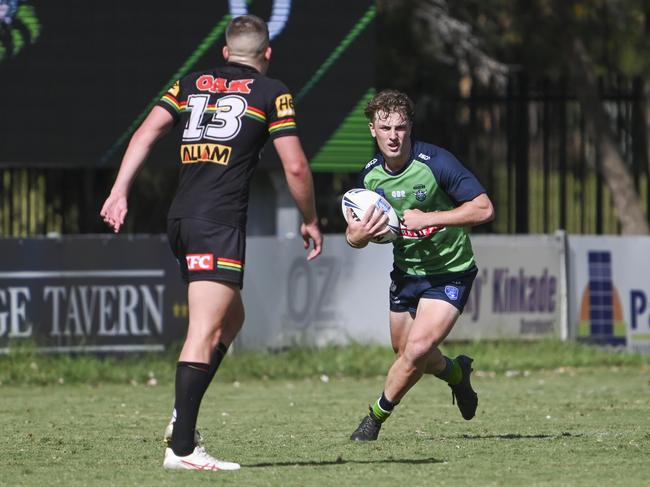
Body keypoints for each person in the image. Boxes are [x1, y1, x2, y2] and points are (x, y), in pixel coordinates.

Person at [100, 15, 323, 470]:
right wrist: (311, 219)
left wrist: (119, 189)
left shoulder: (189, 82)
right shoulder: (271, 92)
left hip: (183, 217)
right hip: (217, 221)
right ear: (267, 53)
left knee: (232, 317)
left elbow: (145, 133)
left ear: (225, 52)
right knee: (203, 330)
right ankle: (182, 448)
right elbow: (296, 167)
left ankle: (181, 422)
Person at [345, 89, 494, 441]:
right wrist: (360, 235)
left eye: (400, 127)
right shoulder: (369, 180)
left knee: (416, 350)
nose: (393, 136)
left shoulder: (436, 162)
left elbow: (484, 208)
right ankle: (457, 374)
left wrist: (432, 217)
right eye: (385, 128)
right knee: (406, 354)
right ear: (373, 130)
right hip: (406, 274)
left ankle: (373, 420)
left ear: (410, 126)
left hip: (450, 272)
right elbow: (352, 237)